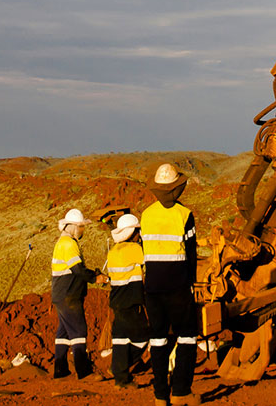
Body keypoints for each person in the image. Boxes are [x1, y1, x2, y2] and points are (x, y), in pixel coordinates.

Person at [140, 163, 199, 406]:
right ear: (176, 189)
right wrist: (191, 283)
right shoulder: (184, 215)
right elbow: (192, 253)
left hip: (152, 287)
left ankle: (160, 396)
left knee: (158, 340)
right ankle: (181, 391)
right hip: (178, 286)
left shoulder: (146, 215)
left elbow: (145, 249)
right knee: (187, 337)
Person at [51, 207, 105, 379]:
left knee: (64, 332)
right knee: (78, 330)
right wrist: (95, 278)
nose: (82, 230)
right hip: (69, 294)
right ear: (73, 227)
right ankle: (84, 371)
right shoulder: (69, 244)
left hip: (61, 293)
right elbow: (78, 270)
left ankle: (60, 370)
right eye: (81, 227)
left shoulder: (63, 243)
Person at [104, 213, 147, 389]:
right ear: (132, 233)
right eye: (137, 231)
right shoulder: (135, 250)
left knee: (121, 339)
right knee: (143, 337)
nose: (139, 234)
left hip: (117, 301)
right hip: (131, 301)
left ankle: (121, 379)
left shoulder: (113, 251)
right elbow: (150, 260)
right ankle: (118, 369)